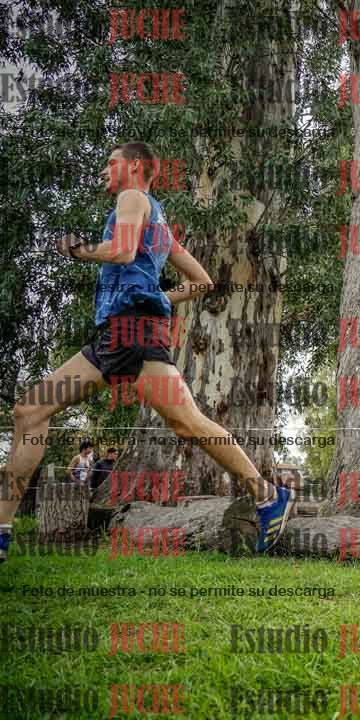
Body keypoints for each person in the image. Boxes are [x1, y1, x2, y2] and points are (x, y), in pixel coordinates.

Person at [0, 142, 294, 562]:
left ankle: (267, 495)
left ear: (135, 166)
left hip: (133, 333)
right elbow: (202, 282)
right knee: (30, 410)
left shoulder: (132, 197)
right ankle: (2, 528)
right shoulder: (159, 226)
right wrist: (157, 297)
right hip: (117, 335)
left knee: (188, 422)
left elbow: (121, 251)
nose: (104, 170)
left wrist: (78, 250)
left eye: (111, 162)